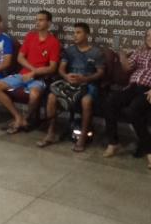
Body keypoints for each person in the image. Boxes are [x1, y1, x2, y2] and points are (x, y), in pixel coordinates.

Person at [102, 26, 151, 169]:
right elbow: (127, 68)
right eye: (148, 35)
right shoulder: (140, 52)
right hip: (132, 87)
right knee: (110, 101)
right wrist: (121, 53)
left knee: (133, 110)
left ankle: (150, 151)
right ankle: (113, 142)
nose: (150, 38)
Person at [37, 22, 104, 152]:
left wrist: (85, 79)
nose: (75, 35)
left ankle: (83, 137)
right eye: (74, 33)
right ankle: (51, 132)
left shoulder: (96, 52)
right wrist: (66, 76)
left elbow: (100, 72)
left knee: (86, 101)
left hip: (87, 84)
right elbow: (61, 69)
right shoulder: (69, 51)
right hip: (70, 83)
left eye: (79, 32)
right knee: (51, 96)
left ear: (86, 35)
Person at [0, 10, 60, 134]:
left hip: (39, 78)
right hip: (22, 74)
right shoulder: (30, 36)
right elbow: (20, 58)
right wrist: (32, 70)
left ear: (48, 23)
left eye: (41, 20)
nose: (37, 22)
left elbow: (52, 67)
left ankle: (26, 118)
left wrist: (34, 73)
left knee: (34, 95)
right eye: (36, 19)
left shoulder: (53, 42)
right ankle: (18, 117)